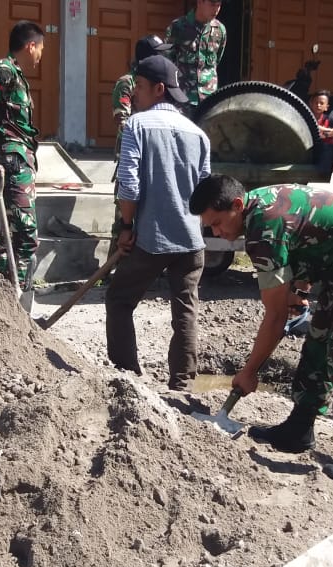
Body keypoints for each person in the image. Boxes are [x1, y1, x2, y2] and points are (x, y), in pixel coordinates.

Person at [190, 176, 333, 488]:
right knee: (318, 340)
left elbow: (275, 315)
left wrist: (249, 371)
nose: (217, 234)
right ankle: (299, 429)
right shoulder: (259, 207)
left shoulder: (263, 227)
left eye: (217, 223)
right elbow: (307, 235)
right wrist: (300, 287)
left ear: (237, 205)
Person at [105, 55, 210, 391]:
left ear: (158, 89)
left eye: (138, 86)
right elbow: (206, 190)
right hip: (191, 240)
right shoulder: (199, 134)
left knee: (120, 300)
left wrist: (126, 226)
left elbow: (130, 184)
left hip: (151, 238)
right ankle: (182, 384)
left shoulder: (137, 125)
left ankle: (127, 377)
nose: (134, 94)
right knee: (186, 311)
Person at [0, 21, 45, 312]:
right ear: (31, 45)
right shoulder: (4, 70)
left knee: (12, 238)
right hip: (12, 163)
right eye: (40, 49)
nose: (40, 56)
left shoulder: (15, 74)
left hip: (20, 162)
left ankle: (4, 310)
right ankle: (14, 308)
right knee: (25, 237)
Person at [108, 34, 172, 260]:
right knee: (123, 216)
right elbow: (122, 121)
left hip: (153, 156)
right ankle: (113, 268)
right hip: (132, 154)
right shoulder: (128, 82)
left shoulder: (159, 83)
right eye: (159, 53)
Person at [165, 0, 226, 118]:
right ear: (200, 2)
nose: (216, 9)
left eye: (219, 5)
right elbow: (167, 61)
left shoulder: (220, 30)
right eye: (212, 4)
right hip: (182, 98)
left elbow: (216, 61)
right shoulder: (178, 27)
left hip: (208, 99)